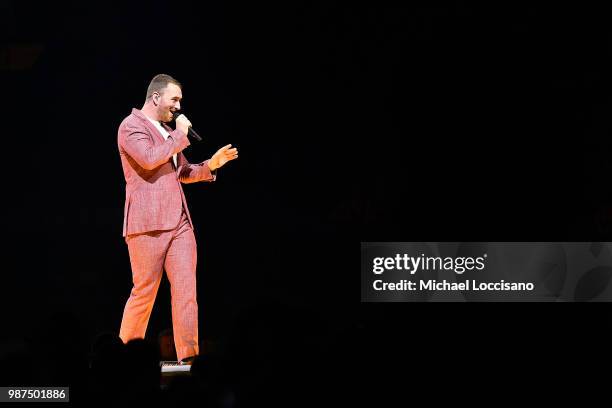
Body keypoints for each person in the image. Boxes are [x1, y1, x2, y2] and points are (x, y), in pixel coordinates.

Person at [117, 74, 238, 363]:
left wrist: (211, 165)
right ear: (156, 97)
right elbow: (148, 158)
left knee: (186, 294)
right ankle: (120, 361)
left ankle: (190, 360)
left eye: (180, 100)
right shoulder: (130, 126)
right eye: (175, 99)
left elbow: (182, 172)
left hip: (180, 222)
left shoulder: (167, 131)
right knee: (144, 293)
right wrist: (179, 135)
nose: (178, 106)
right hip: (147, 223)